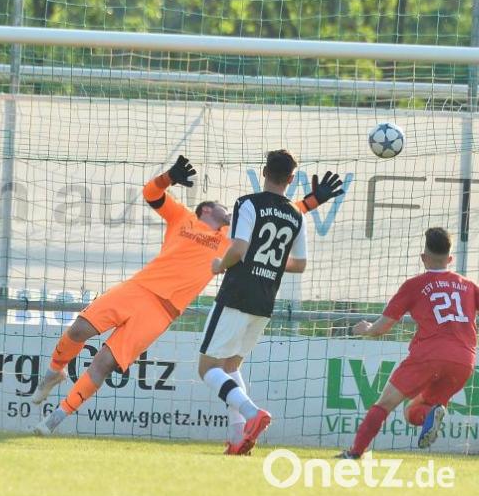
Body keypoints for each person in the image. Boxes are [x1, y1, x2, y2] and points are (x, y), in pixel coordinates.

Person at [30, 155, 342, 436]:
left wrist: (313, 200)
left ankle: (54, 420)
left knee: (104, 363)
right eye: (221, 205)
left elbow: (278, 213)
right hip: (137, 289)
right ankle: (53, 374)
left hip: (163, 311)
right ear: (207, 209)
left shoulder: (229, 241)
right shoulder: (183, 219)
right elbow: (151, 194)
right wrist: (169, 177)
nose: (226, 210)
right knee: (80, 329)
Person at [201, 150, 342, 455]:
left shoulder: (248, 203)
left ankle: (253, 414)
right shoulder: (295, 215)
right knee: (230, 365)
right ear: (292, 179)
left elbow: (238, 248)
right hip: (265, 300)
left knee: (207, 368)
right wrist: (273, 263)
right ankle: (238, 438)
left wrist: (220, 265)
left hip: (237, 292)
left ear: (264, 171)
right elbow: (300, 264)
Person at [338, 227, 478, 459]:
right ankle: (431, 415)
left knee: (384, 404)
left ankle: (354, 453)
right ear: (450, 259)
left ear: (423, 257)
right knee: (413, 411)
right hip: (464, 360)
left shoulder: (414, 285)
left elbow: (382, 327)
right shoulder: (469, 286)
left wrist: (366, 329)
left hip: (429, 354)